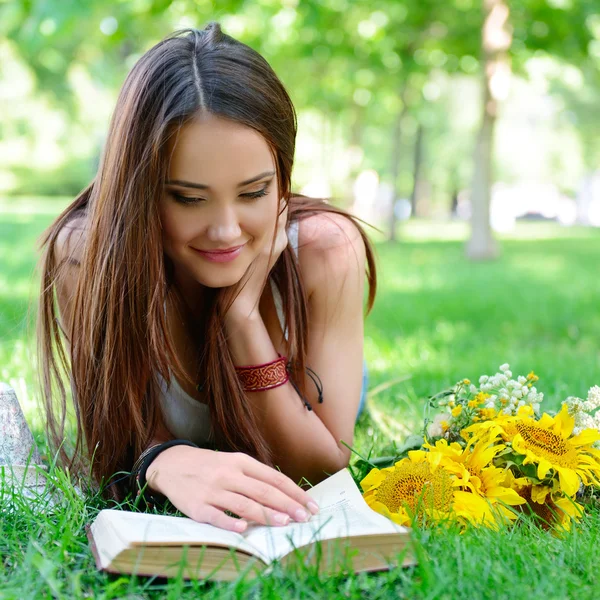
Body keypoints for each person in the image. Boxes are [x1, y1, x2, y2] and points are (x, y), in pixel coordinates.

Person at [37, 23, 376, 533]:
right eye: (189, 198)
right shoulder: (87, 257)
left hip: (306, 377)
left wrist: (242, 317)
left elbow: (321, 466)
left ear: (283, 175)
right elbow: (116, 437)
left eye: (254, 192)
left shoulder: (326, 251)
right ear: (140, 188)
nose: (225, 230)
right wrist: (166, 459)